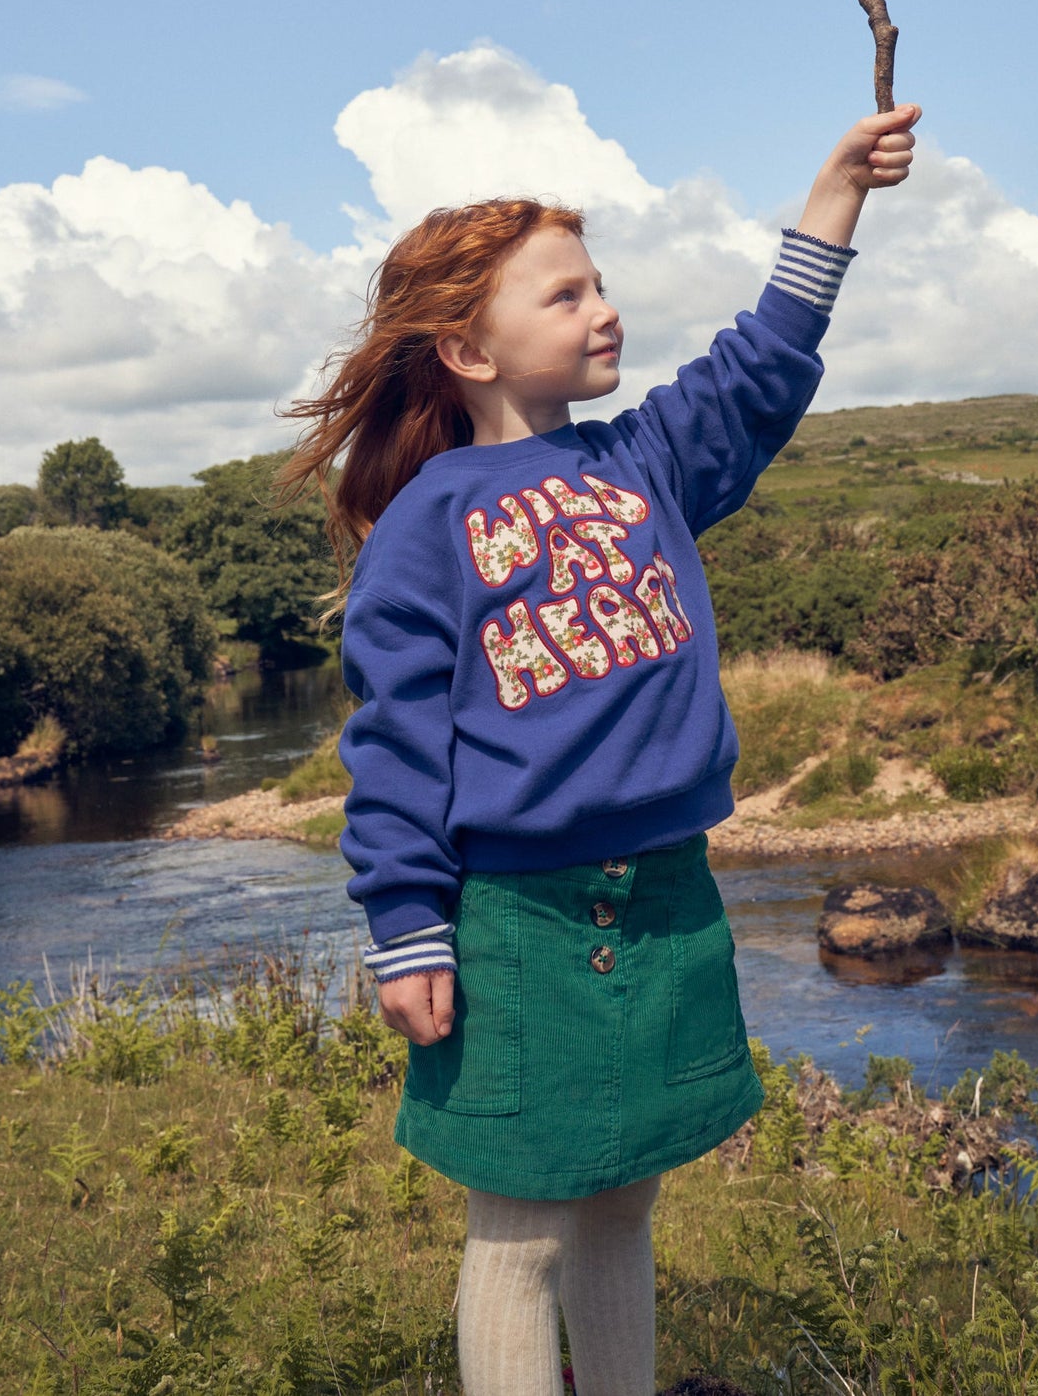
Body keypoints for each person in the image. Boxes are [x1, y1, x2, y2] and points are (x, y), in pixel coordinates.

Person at [277, 102, 918, 1395]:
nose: (602, 310)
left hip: (669, 894)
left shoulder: (645, 463)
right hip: (516, 922)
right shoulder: (425, 525)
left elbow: (761, 363)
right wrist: (407, 928)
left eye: (600, 284)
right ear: (467, 348)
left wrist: (836, 195)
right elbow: (395, 750)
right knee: (520, 1233)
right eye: (563, 295)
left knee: (624, 1203)